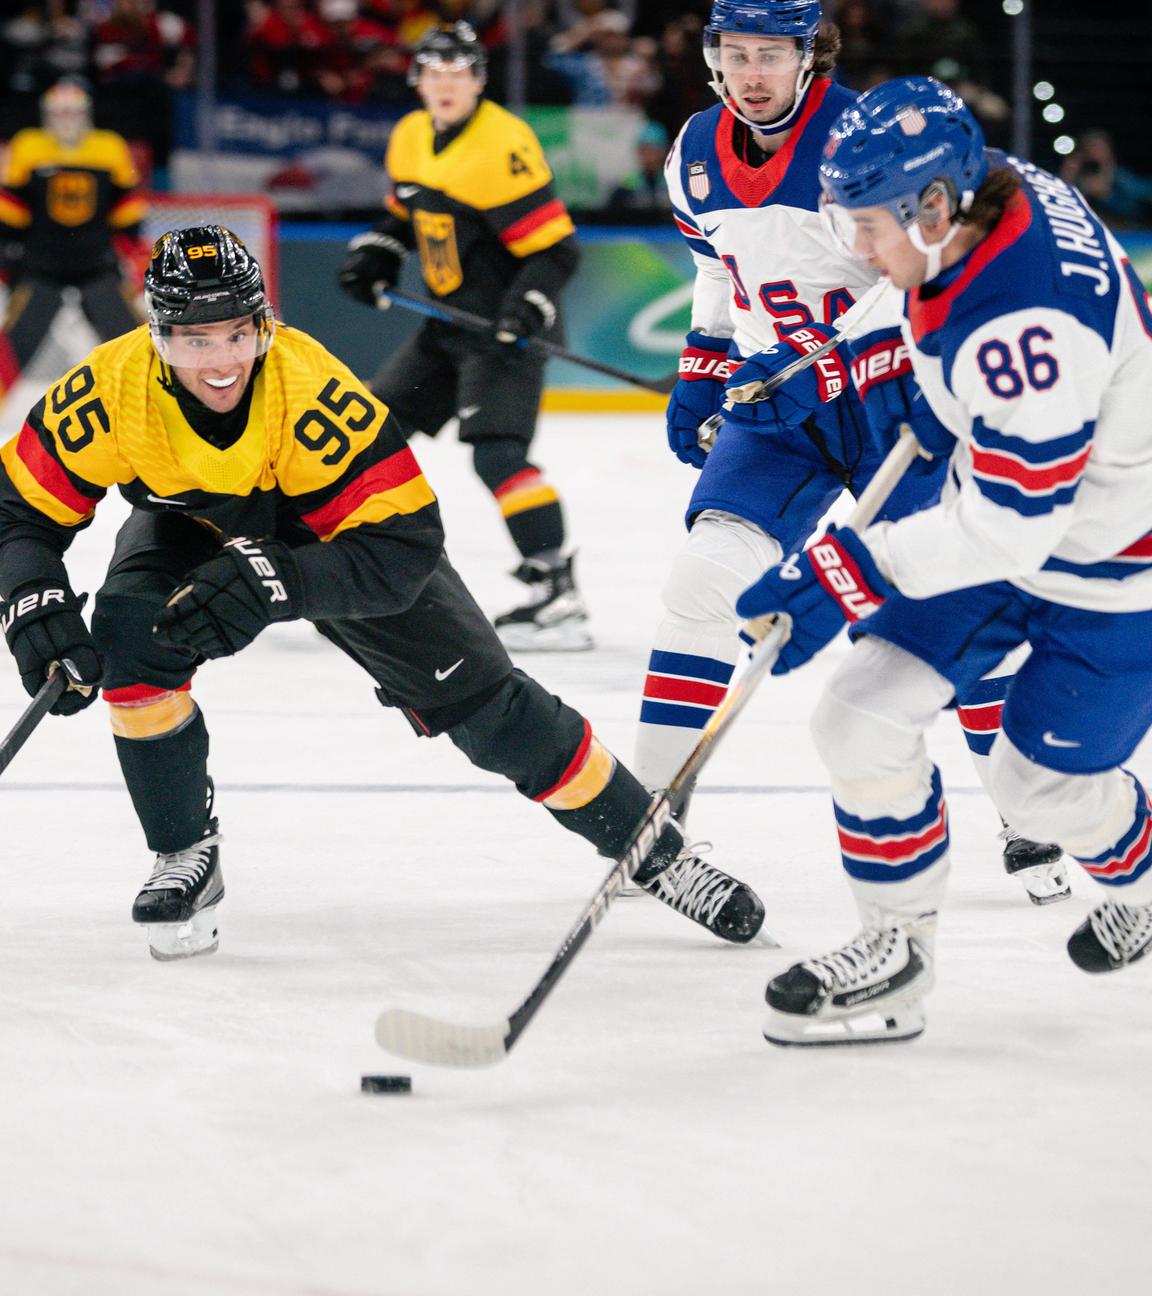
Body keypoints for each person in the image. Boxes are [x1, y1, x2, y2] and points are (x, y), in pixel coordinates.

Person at [0, 224, 765, 962]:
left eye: (238, 332)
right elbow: (17, 511)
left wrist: (281, 579)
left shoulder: (313, 390)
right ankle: (183, 851)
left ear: (265, 324)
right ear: (158, 337)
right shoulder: (110, 389)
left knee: (489, 707)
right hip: (190, 520)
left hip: (335, 533)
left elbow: (406, 546)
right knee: (130, 633)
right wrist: (32, 598)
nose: (223, 359)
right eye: (196, 340)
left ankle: (656, 853)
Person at [736, 76, 1152, 1045]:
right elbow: (928, 311)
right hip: (1018, 512)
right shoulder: (989, 186)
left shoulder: (1027, 333)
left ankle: (1142, 875)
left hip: (1111, 563)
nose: (857, 249)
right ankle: (897, 955)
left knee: (1037, 793)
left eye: (868, 226)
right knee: (859, 716)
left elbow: (1012, 528)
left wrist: (843, 571)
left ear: (933, 207)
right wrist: (864, 375)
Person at [633, 0, 1066, 901]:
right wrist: (703, 365)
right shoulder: (693, 151)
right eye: (736, 54)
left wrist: (825, 362)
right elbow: (716, 269)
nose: (752, 74)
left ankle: (1029, 809)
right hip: (779, 407)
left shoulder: (868, 138)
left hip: (894, 405)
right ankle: (648, 825)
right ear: (713, 56)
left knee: (951, 610)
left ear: (810, 56)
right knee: (702, 585)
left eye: (771, 55)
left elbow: (927, 276)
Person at [337, 21, 592, 653]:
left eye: (458, 73)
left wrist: (525, 309)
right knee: (368, 432)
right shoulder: (410, 135)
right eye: (434, 72)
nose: (445, 84)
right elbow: (408, 214)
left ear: (479, 80)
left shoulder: (503, 144)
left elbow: (556, 252)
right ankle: (355, 573)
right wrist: (379, 250)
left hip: (503, 331)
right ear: (417, 80)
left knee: (498, 455)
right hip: (448, 324)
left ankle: (557, 591)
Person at [0, 77, 147, 406]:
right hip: (40, 266)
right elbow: (10, 213)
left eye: (73, 112)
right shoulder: (28, 145)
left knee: (134, 344)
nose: (66, 119)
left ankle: (154, 406)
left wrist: (132, 255)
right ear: (47, 114)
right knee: (11, 347)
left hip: (97, 264)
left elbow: (128, 212)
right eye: (59, 112)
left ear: (86, 113)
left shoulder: (109, 147)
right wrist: (8, 261)